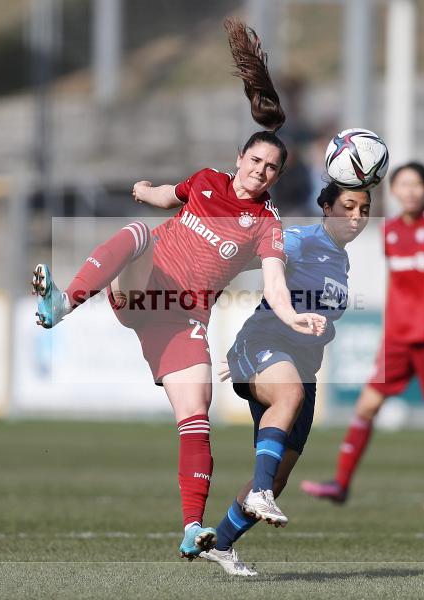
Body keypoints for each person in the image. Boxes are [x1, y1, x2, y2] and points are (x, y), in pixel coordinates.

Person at [31, 19, 326, 560]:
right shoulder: (208, 180)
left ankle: (193, 529)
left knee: (197, 414)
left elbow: (276, 284)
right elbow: (172, 195)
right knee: (141, 233)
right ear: (240, 159)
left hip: (182, 317)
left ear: (276, 179)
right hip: (140, 289)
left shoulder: (266, 225)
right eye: (254, 161)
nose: (259, 173)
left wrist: (292, 318)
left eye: (270, 169)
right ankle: (63, 303)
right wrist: (146, 190)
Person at [201, 183, 372, 576]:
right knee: (289, 394)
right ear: (325, 207)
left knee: (278, 477)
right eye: (347, 207)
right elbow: (249, 258)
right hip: (264, 344)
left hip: (303, 365)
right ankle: (258, 493)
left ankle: (221, 545)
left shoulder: (340, 261)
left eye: (363, 209)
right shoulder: (299, 240)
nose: (356, 217)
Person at [301, 161, 424, 512]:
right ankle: (340, 484)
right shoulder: (391, 230)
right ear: (393, 191)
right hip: (397, 336)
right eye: (403, 185)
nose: (410, 191)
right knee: (366, 407)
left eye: (417, 185)